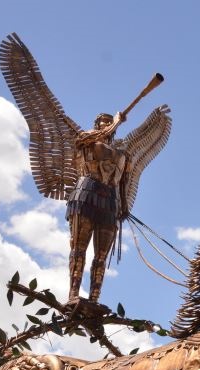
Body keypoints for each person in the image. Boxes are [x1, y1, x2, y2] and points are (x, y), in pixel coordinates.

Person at [67, 112, 128, 305]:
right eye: (104, 121)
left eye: (111, 122)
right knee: (79, 248)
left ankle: (94, 298)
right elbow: (91, 137)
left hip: (110, 201)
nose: (108, 124)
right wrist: (116, 123)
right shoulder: (85, 139)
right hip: (85, 195)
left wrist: (123, 205)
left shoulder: (122, 155)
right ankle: (73, 294)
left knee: (101, 255)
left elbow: (122, 183)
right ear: (97, 124)